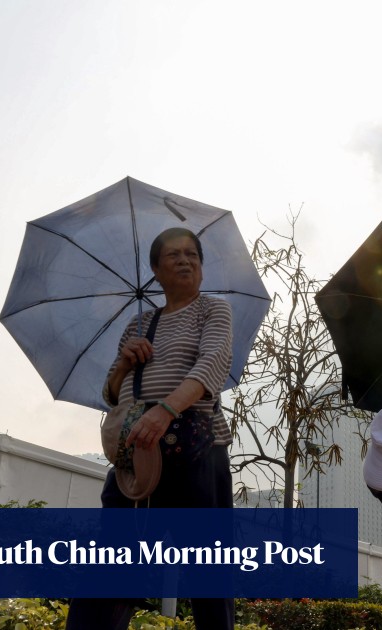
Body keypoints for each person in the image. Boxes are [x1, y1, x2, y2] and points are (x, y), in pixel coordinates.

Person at [67, 227, 235, 630]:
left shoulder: (213, 310)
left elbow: (213, 363)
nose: (185, 260)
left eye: (192, 254)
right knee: (111, 561)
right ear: (156, 271)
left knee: (208, 572)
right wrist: (125, 363)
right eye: (173, 255)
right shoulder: (140, 324)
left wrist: (165, 410)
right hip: (136, 456)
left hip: (196, 452)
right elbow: (111, 393)